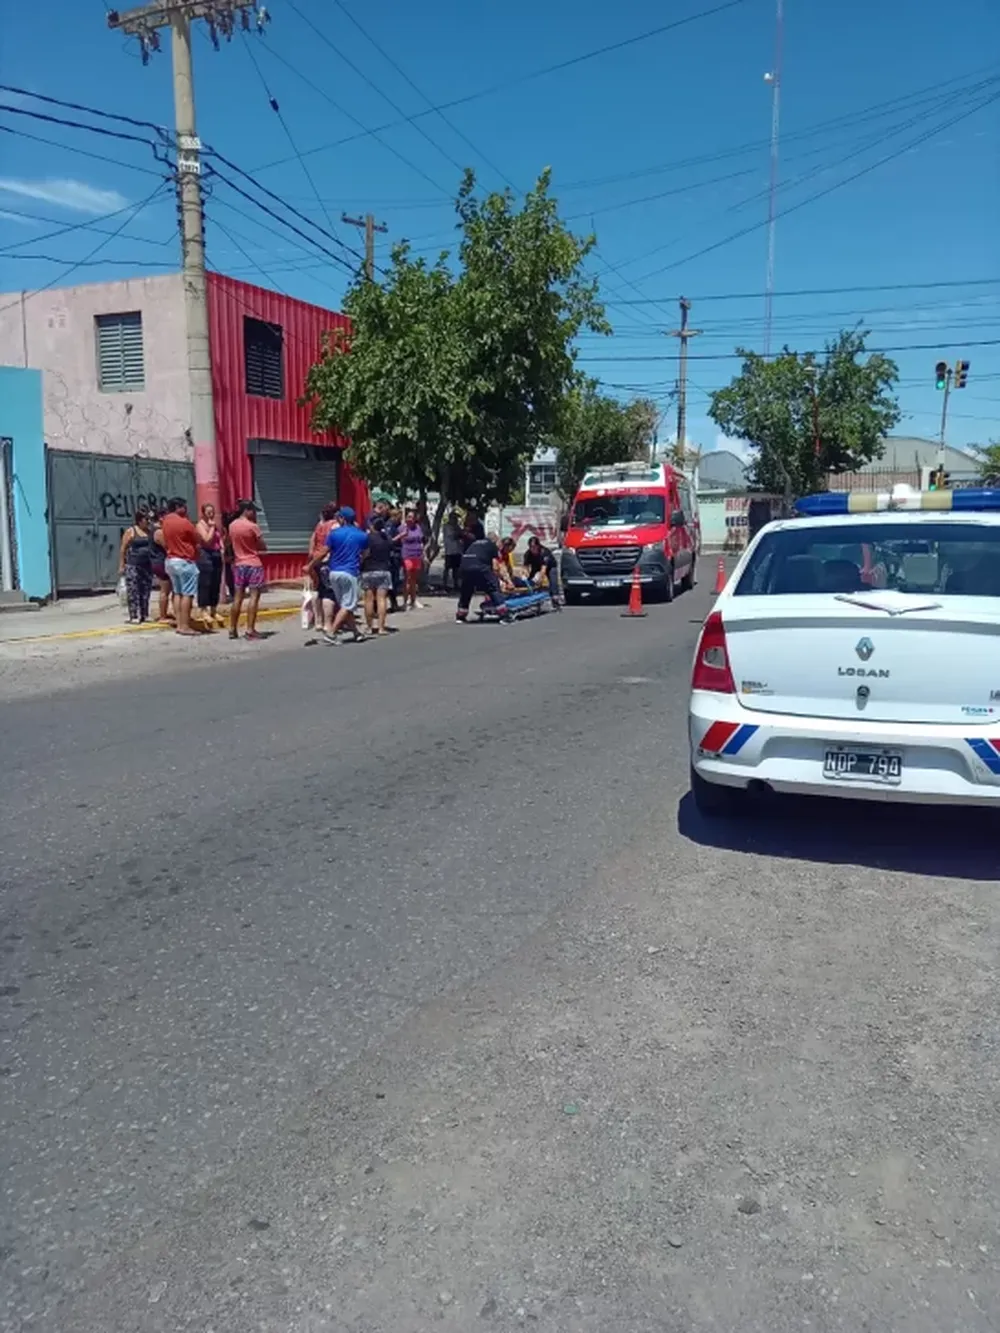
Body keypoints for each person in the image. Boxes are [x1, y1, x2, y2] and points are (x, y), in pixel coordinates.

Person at [313, 506, 369, 644]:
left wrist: (310, 565)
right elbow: (366, 553)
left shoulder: (334, 534)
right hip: (350, 573)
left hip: (334, 573)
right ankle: (331, 633)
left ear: (342, 519)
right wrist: (359, 560)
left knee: (345, 604)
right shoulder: (362, 535)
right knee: (348, 605)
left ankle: (356, 633)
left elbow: (323, 552)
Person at [161, 497, 203, 636]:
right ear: (178, 507)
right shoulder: (184, 522)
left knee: (177, 593)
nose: (186, 509)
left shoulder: (166, 521)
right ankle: (184, 625)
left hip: (171, 560)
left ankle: (180, 623)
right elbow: (198, 538)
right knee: (187, 594)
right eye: (184, 507)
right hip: (185, 561)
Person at [228, 500, 267, 640]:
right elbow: (263, 546)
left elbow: (229, 543)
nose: (254, 513)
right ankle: (250, 629)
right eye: (253, 511)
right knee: (254, 597)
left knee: (237, 597)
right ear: (247, 510)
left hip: (239, 564)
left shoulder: (232, 526)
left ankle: (232, 628)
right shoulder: (253, 527)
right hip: (253, 563)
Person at [456, 530, 508, 622]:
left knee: (467, 590)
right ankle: (503, 615)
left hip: (464, 567)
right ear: (495, 540)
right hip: (480, 568)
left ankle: (461, 615)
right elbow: (496, 565)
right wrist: (504, 579)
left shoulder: (475, 543)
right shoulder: (491, 545)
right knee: (493, 588)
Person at [309, 502, 339, 637]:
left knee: (317, 589)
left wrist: (311, 555)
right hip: (328, 559)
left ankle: (318, 622)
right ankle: (328, 623)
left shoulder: (319, 524)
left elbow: (313, 539)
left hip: (316, 559)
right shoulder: (334, 525)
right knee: (328, 592)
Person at [118, 508, 154, 624]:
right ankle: (133, 615)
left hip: (147, 565)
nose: (148, 521)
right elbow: (123, 548)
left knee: (146, 590)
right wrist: (122, 565)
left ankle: (145, 614)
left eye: (149, 519)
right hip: (133, 565)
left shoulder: (149, 532)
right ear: (139, 520)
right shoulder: (131, 531)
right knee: (133, 591)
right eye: (146, 519)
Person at [361, 516, 393, 635]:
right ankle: (381, 627)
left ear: (372, 526)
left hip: (368, 570)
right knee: (382, 599)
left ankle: (369, 627)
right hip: (383, 570)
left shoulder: (367, 538)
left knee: (368, 600)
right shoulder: (386, 538)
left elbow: (364, 553)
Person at [196, 502, 224, 627]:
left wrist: (222, 548)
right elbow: (207, 540)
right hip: (206, 555)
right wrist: (212, 527)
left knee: (215, 583)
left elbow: (219, 539)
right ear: (203, 513)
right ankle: (203, 610)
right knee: (205, 583)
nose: (211, 514)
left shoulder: (215, 525)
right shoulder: (200, 525)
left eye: (212, 512)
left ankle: (214, 609)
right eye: (208, 512)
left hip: (216, 554)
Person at [395, 506, 426, 610]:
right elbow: (400, 540)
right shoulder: (402, 528)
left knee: (414, 579)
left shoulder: (418, 527)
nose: (410, 519)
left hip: (417, 554)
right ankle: (405, 601)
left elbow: (421, 541)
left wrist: (423, 555)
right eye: (408, 517)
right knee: (407, 579)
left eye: (412, 517)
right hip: (407, 554)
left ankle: (413, 600)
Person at [523, 535, 562, 608]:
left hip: (550, 566)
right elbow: (525, 567)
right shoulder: (528, 554)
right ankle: (531, 598)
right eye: (531, 547)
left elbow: (543, 569)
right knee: (530, 581)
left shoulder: (544, 552)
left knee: (553, 581)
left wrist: (540, 579)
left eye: (534, 547)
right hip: (536, 566)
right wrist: (526, 576)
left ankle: (555, 598)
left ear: (538, 546)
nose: (532, 549)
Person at [151, 505, 173, 624]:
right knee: (165, 589)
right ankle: (163, 616)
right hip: (161, 562)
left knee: (167, 589)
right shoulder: (159, 531)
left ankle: (164, 613)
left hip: (160, 562)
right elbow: (167, 547)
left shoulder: (158, 529)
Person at [386, 506, 403, 613]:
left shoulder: (394, 526)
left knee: (395, 580)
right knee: (393, 580)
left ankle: (394, 603)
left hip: (396, 555)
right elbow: (389, 541)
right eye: (399, 516)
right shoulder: (389, 526)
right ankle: (393, 603)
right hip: (392, 556)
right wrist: (400, 536)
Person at [442, 510, 463, 592]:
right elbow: (454, 535)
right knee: (447, 568)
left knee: (456, 569)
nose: (456, 520)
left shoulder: (457, 526)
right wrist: (460, 532)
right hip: (449, 551)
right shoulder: (447, 527)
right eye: (454, 518)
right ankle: (445, 584)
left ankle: (456, 584)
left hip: (457, 550)